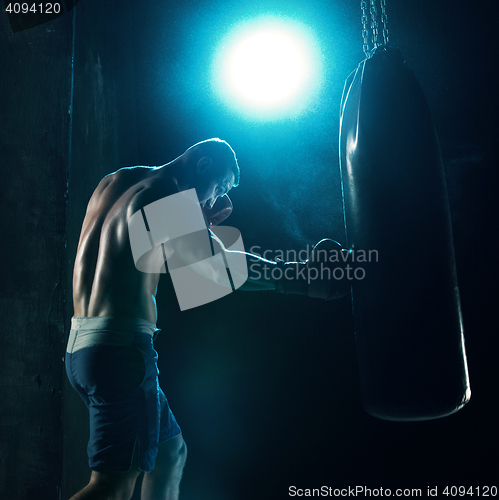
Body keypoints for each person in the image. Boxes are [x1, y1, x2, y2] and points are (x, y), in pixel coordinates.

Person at [65, 138, 348, 500]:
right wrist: (298, 278)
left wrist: (195, 225)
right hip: (120, 354)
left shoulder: (118, 182)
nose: (215, 200)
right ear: (201, 164)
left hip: (83, 351)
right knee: (112, 485)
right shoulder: (167, 196)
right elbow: (220, 268)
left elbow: (143, 258)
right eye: (221, 187)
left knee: (171, 453)